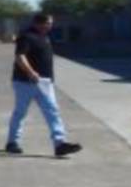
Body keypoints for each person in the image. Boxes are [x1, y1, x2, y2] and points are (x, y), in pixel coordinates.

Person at [6, 12, 81, 156]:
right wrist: (30, 72)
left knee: (52, 111)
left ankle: (60, 144)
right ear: (38, 23)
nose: (51, 26)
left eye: (51, 23)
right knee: (20, 112)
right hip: (25, 82)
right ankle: (12, 142)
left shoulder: (44, 37)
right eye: (48, 23)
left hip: (45, 82)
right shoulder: (26, 37)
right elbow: (20, 56)